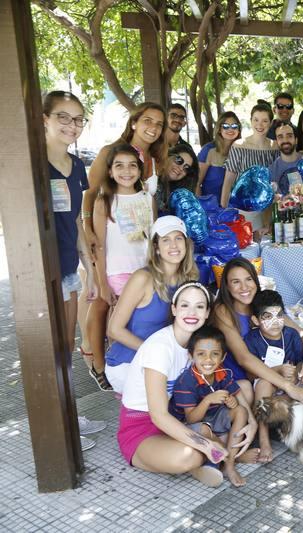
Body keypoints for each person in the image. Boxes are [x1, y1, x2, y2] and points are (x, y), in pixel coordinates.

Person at [117, 281, 256, 487]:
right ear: (174, 309)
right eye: (185, 305)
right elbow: (158, 416)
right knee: (189, 455)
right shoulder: (160, 348)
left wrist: (252, 422)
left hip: (179, 418)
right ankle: (215, 457)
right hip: (143, 428)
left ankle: (220, 455)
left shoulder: (197, 343)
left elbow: (225, 381)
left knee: (243, 388)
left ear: (207, 313)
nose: (192, 312)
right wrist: (205, 444)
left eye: (199, 306)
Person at [43, 90, 106, 449]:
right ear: (45, 119)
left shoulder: (76, 165)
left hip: (69, 267)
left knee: (66, 346)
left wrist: (90, 270)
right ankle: (58, 425)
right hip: (44, 273)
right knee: (52, 349)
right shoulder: (34, 165)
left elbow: (77, 222)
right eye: (63, 117)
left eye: (78, 119)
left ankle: (68, 415)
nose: (72, 125)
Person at [89, 144, 156, 387]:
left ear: (140, 170)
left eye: (132, 165)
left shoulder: (147, 198)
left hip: (146, 273)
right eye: (119, 166)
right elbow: (99, 247)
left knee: (143, 324)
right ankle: (119, 375)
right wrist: (102, 284)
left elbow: (153, 239)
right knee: (120, 327)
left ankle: (145, 373)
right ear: (110, 171)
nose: (126, 171)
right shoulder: (104, 202)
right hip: (117, 274)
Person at [244, 289, 303, 461]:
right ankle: (264, 440)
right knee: (264, 384)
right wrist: (278, 370)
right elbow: (251, 376)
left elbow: (299, 361)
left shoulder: (291, 334)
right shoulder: (251, 340)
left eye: (279, 315)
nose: (275, 322)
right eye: (267, 317)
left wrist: (300, 370)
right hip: (271, 392)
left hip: (294, 385)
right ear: (256, 320)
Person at [106, 216, 198, 392]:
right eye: (166, 240)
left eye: (178, 238)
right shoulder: (143, 278)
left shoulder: (189, 279)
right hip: (129, 361)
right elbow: (114, 329)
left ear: (186, 244)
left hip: (166, 362)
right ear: (156, 247)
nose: (173, 245)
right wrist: (155, 354)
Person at [169, 325, 248, 487]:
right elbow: (191, 419)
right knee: (204, 429)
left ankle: (227, 463)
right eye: (201, 354)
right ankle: (230, 459)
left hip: (213, 418)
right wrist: (207, 400)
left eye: (215, 354)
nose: (208, 360)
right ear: (191, 356)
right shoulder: (186, 381)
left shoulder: (222, 373)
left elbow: (234, 397)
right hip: (189, 425)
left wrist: (232, 402)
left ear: (223, 357)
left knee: (241, 411)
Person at [84, 102, 166, 253]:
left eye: (159, 124)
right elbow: (90, 193)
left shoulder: (157, 159)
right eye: (147, 120)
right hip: (112, 240)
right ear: (134, 123)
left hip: (142, 242)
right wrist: (87, 229)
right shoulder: (109, 152)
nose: (153, 127)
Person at [221, 101, 278, 232]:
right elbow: (229, 180)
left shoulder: (275, 147)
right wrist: (223, 209)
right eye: (256, 120)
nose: (259, 125)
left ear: (270, 123)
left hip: (268, 208)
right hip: (244, 209)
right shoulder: (239, 145)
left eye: (264, 121)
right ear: (251, 121)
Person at [197, 111, 241, 205]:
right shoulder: (208, 150)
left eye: (234, 126)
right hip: (210, 208)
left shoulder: (242, 150)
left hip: (234, 207)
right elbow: (196, 183)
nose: (230, 129)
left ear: (239, 129)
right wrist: (201, 207)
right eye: (225, 126)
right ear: (219, 129)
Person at [269, 120, 303, 194]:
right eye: (280, 137)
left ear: (296, 140)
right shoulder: (271, 171)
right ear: (276, 142)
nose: (285, 140)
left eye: (289, 136)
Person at [157, 144, 197, 215]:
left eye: (186, 168)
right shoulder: (152, 179)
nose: (181, 168)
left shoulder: (176, 193)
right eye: (179, 160)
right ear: (168, 156)